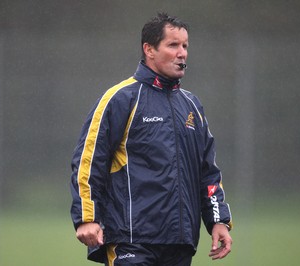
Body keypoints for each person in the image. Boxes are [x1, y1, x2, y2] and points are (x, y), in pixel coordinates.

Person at [70, 12, 233, 265]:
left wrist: (218, 220)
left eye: (185, 46)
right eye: (173, 45)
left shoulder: (192, 106)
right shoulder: (121, 99)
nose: (182, 53)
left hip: (180, 244)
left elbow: (208, 173)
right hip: (131, 241)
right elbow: (89, 160)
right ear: (149, 49)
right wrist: (87, 217)